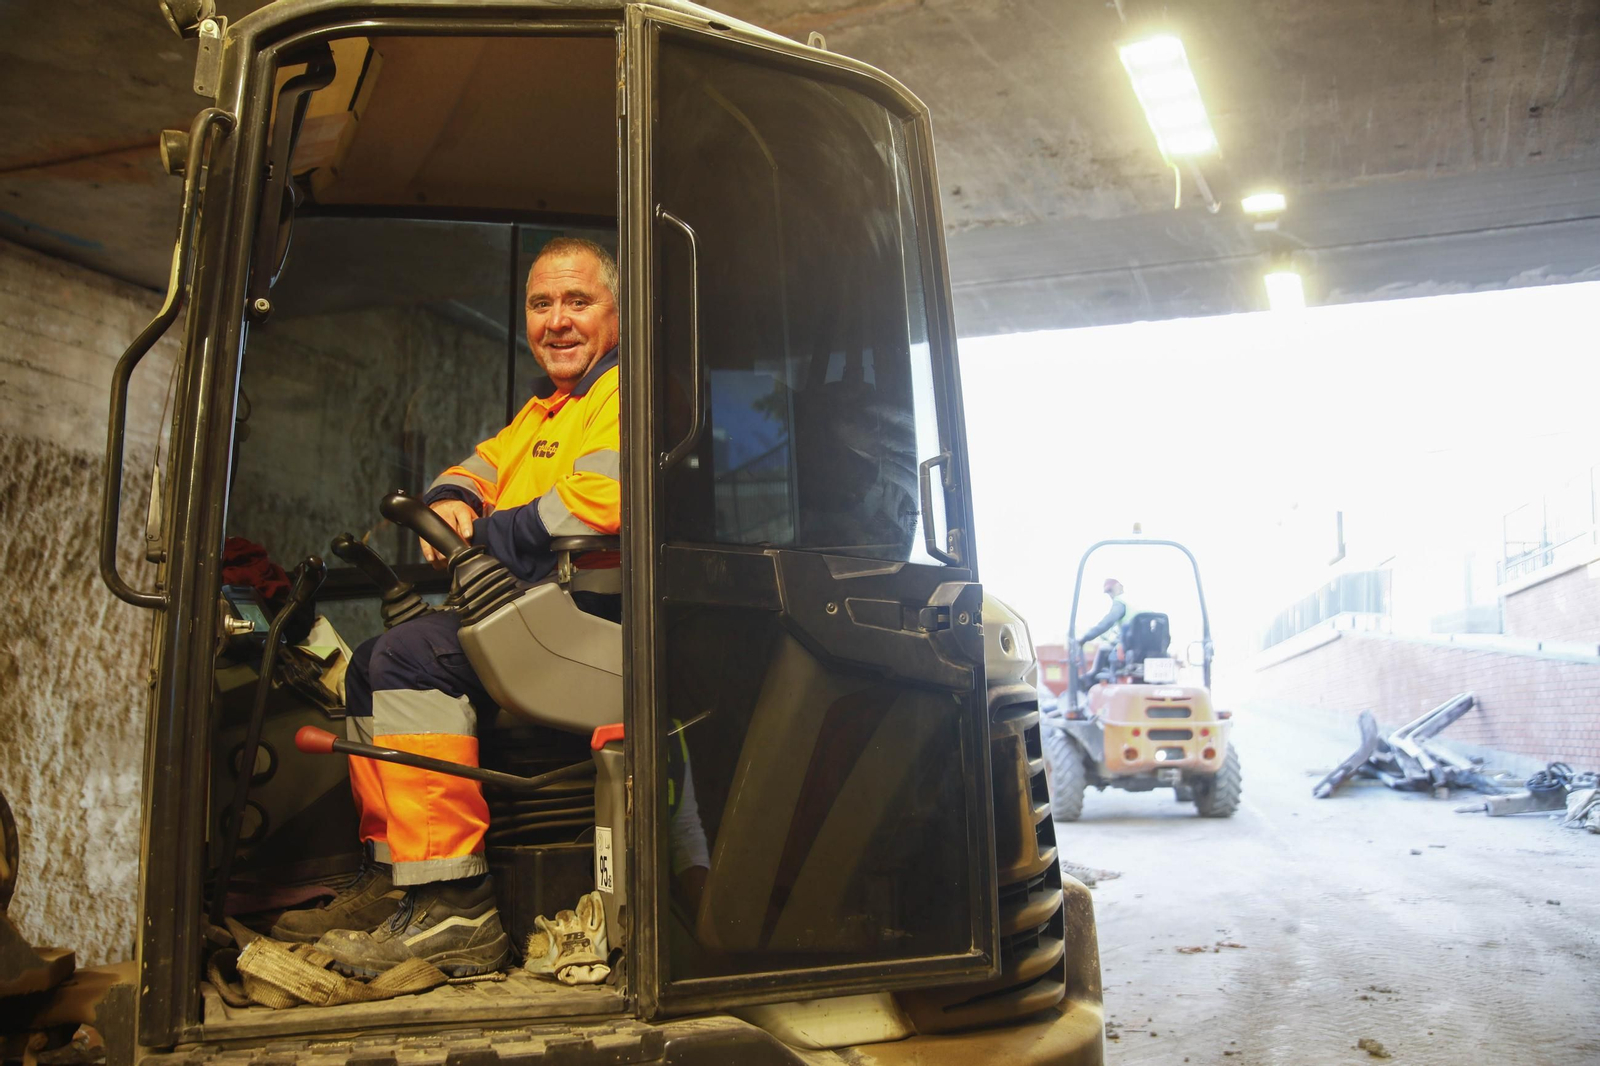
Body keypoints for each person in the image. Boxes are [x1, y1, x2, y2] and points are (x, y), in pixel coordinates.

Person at [271, 238, 622, 977]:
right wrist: (452, 498)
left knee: (409, 658)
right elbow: (479, 466)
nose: (558, 321)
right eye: (541, 304)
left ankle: (454, 904)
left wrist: (487, 533)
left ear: (615, 312)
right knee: (370, 663)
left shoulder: (628, 394)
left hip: (604, 625)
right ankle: (394, 876)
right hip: (547, 616)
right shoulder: (550, 411)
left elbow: (599, 504)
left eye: (578, 302)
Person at [1074, 578, 1138, 690]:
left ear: (1120, 586)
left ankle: (1093, 678)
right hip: (1148, 648)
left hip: (1131, 646)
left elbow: (1107, 623)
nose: (1110, 594)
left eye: (1111, 590)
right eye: (1107, 592)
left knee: (1105, 650)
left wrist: (1086, 637)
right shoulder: (1135, 602)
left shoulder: (1121, 602)